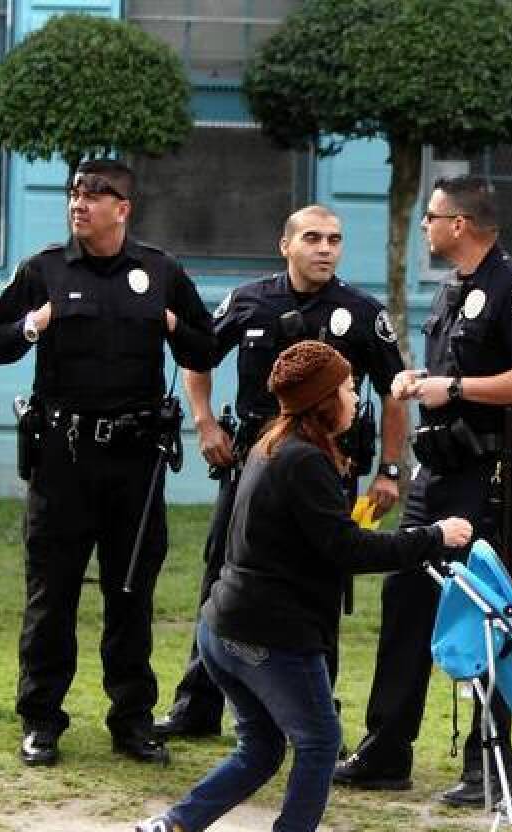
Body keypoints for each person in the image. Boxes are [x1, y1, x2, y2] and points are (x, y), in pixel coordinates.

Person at [135, 341, 472, 832]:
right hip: (267, 634)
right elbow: (348, 551)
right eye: (344, 389)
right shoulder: (303, 460)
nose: (354, 399)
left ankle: (173, 829)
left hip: (225, 627)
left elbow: (321, 540)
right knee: (319, 740)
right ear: (321, 402)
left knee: (263, 747)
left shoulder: (275, 445)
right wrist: (434, 537)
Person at [0, 159, 218, 767]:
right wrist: (34, 324)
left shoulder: (159, 271)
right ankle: (40, 719)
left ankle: (132, 720)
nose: (79, 203)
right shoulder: (44, 270)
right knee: (51, 595)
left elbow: (204, 345)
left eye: (94, 194)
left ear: (123, 208)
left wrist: (168, 322)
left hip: (135, 467)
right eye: (75, 193)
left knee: (130, 593)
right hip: (63, 461)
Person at [334, 176, 512, 806]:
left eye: (431, 217)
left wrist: (451, 390)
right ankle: (385, 750)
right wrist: (422, 382)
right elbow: (456, 373)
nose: (424, 227)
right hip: (437, 475)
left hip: (490, 478)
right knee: (405, 603)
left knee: (482, 615)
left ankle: (490, 764)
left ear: (459, 224)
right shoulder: (452, 289)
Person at [153, 204, 407, 741]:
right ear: (285, 245)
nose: (325, 249)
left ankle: (314, 710)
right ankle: (197, 704)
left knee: (321, 580)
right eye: (312, 238)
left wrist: (389, 468)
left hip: (324, 469)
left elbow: (395, 391)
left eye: (334, 240)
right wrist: (204, 425)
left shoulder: (360, 312)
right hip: (252, 466)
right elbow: (198, 357)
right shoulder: (248, 301)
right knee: (222, 572)